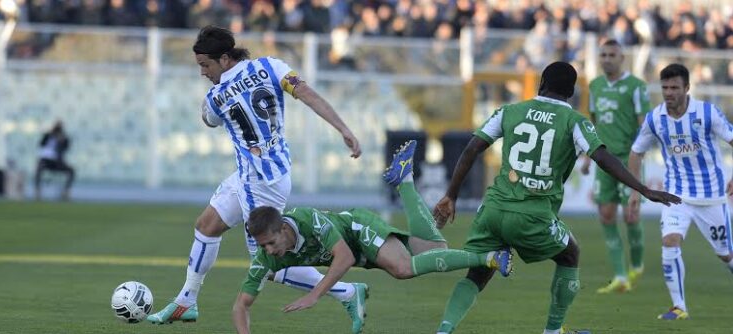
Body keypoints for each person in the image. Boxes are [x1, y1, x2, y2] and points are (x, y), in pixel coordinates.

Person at [431, 61, 681, 334]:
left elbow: (471, 149)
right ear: (571, 92)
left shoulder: (510, 111)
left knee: (478, 274)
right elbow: (603, 158)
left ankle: (445, 328)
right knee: (570, 254)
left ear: (541, 84)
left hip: (492, 209)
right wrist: (643, 188)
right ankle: (553, 330)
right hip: (533, 215)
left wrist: (450, 195)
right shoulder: (575, 122)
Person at [147, 26, 364, 325]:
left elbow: (208, 119)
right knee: (206, 225)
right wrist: (343, 129)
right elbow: (306, 93)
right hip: (268, 172)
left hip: (257, 182)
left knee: (269, 264)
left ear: (224, 59)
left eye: (205, 65)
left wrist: (215, 100)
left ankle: (347, 292)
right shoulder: (270, 66)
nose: (203, 73)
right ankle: (187, 300)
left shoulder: (216, 98)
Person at [232, 140, 513, 334]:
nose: (267, 250)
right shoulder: (265, 257)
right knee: (435, 249)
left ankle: (489, 257)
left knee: (403, 269)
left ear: (282, 228)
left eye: (270, 242)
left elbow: (344, 257)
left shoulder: (307, 219)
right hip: (357, 248)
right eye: (262, 246)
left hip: (356, 228)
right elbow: (241, 305)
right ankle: (405, 182)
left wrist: (315, 295)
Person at [628, 63, 733, 320]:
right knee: (669, 242)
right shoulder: (656, 119)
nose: (669, 92)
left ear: (687, 88)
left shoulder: (708, 114)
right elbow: (636, 152)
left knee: (726, 255)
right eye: (665, 87)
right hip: (676, 195)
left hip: (713, 197)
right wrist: (635, 192)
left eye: (674, 87)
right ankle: (679, 307)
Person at [580, 39, 652, 294]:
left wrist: (639, 156)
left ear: (622, 58)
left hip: (628, 159)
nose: (607, 59)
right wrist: (588, 157)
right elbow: (594, 122)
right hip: (603, 160)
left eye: (612, 55)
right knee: (606, 215)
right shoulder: (596, 86)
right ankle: (621, 276)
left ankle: (638, 263)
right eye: (603, 55)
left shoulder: (636, 87)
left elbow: (645, 125)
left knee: (631, 216)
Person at [34, 120, 75, 201]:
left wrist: (62, 141)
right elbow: (41, 144)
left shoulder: (64, 137)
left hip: (57, 162)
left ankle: (66, 192)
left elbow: (66, 148)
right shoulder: (48, 135)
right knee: (38, 169)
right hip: (46, 161)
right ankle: (38, 191)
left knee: (71, 171)